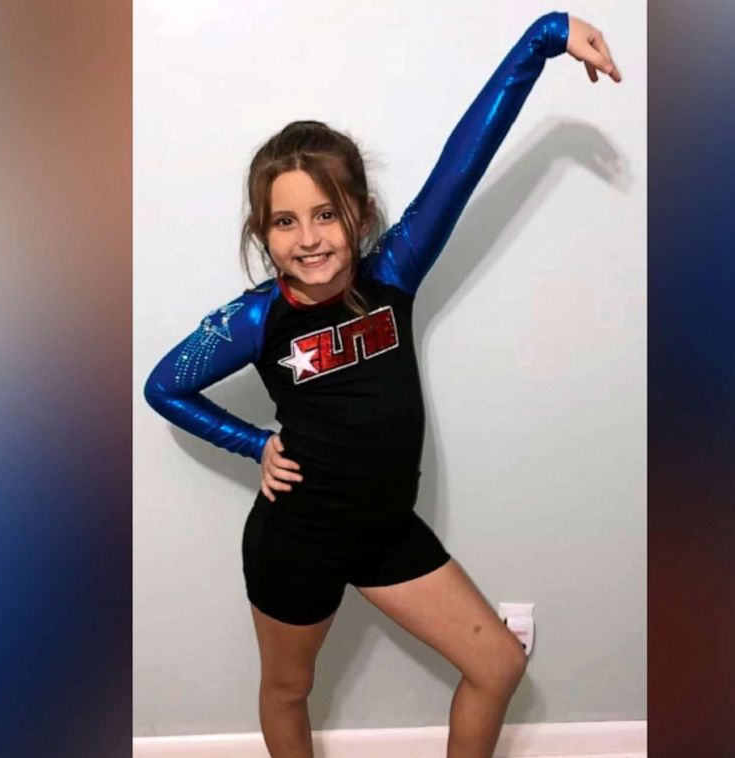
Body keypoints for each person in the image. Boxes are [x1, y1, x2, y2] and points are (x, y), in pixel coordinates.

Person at [144, 10, 621, 757]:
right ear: (262, 232)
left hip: (386, 531)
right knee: (288, 691)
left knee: (496, 666)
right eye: (285, 222)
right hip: (297, 538)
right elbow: (163, 385)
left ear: (359, 215)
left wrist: (546, 36)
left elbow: (463, 163)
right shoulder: (253, 319)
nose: (308, 238)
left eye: (326, 214)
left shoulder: (394, 273)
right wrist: (253, 443)